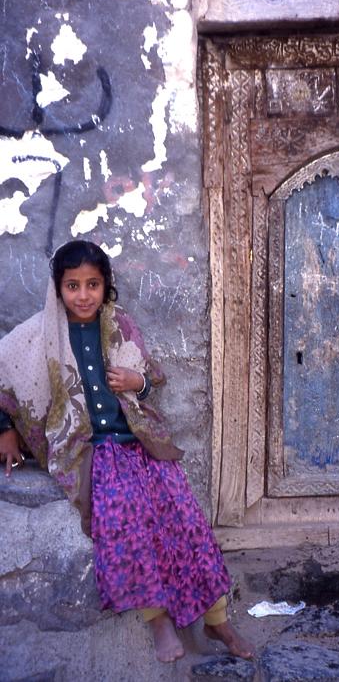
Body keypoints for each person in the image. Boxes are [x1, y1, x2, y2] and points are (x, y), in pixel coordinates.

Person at [0, 240, 253, 664]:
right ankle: (158, 620)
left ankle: (217, 618)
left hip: (139, 443)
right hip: (92, 452)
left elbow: (152, 380)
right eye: (73, 285)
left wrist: (138, 382)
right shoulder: (40, 334)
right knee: (124, 519)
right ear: (58, 289)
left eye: (93, 284)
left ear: (106, 286)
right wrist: (6, 429)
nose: (83, 295)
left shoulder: (120, 326)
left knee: (185, 516)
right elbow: (4, 373)